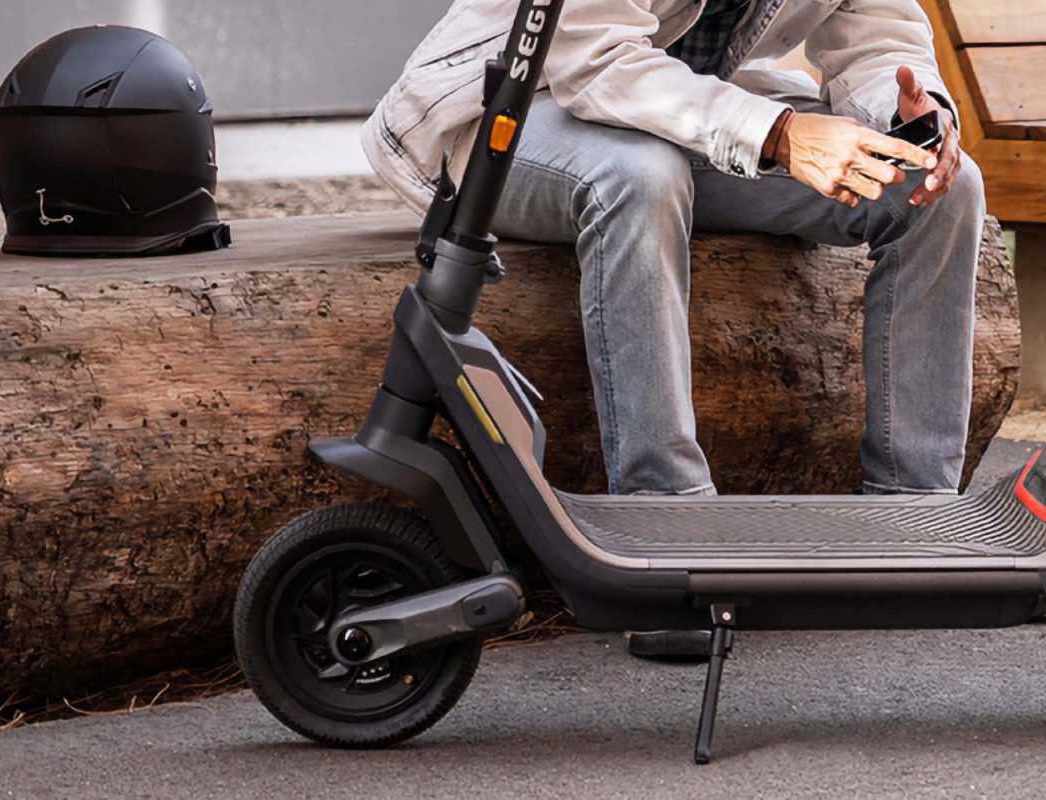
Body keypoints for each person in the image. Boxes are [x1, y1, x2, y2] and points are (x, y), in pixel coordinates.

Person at [363, 0, 986, 658]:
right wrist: (778, 134)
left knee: (938, 186)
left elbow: (879, 34)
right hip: (510, 109)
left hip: (688, 112)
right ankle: (664, 532)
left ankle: (916, 520)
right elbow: (593, 58)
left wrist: (914, 116)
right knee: (640, 177)